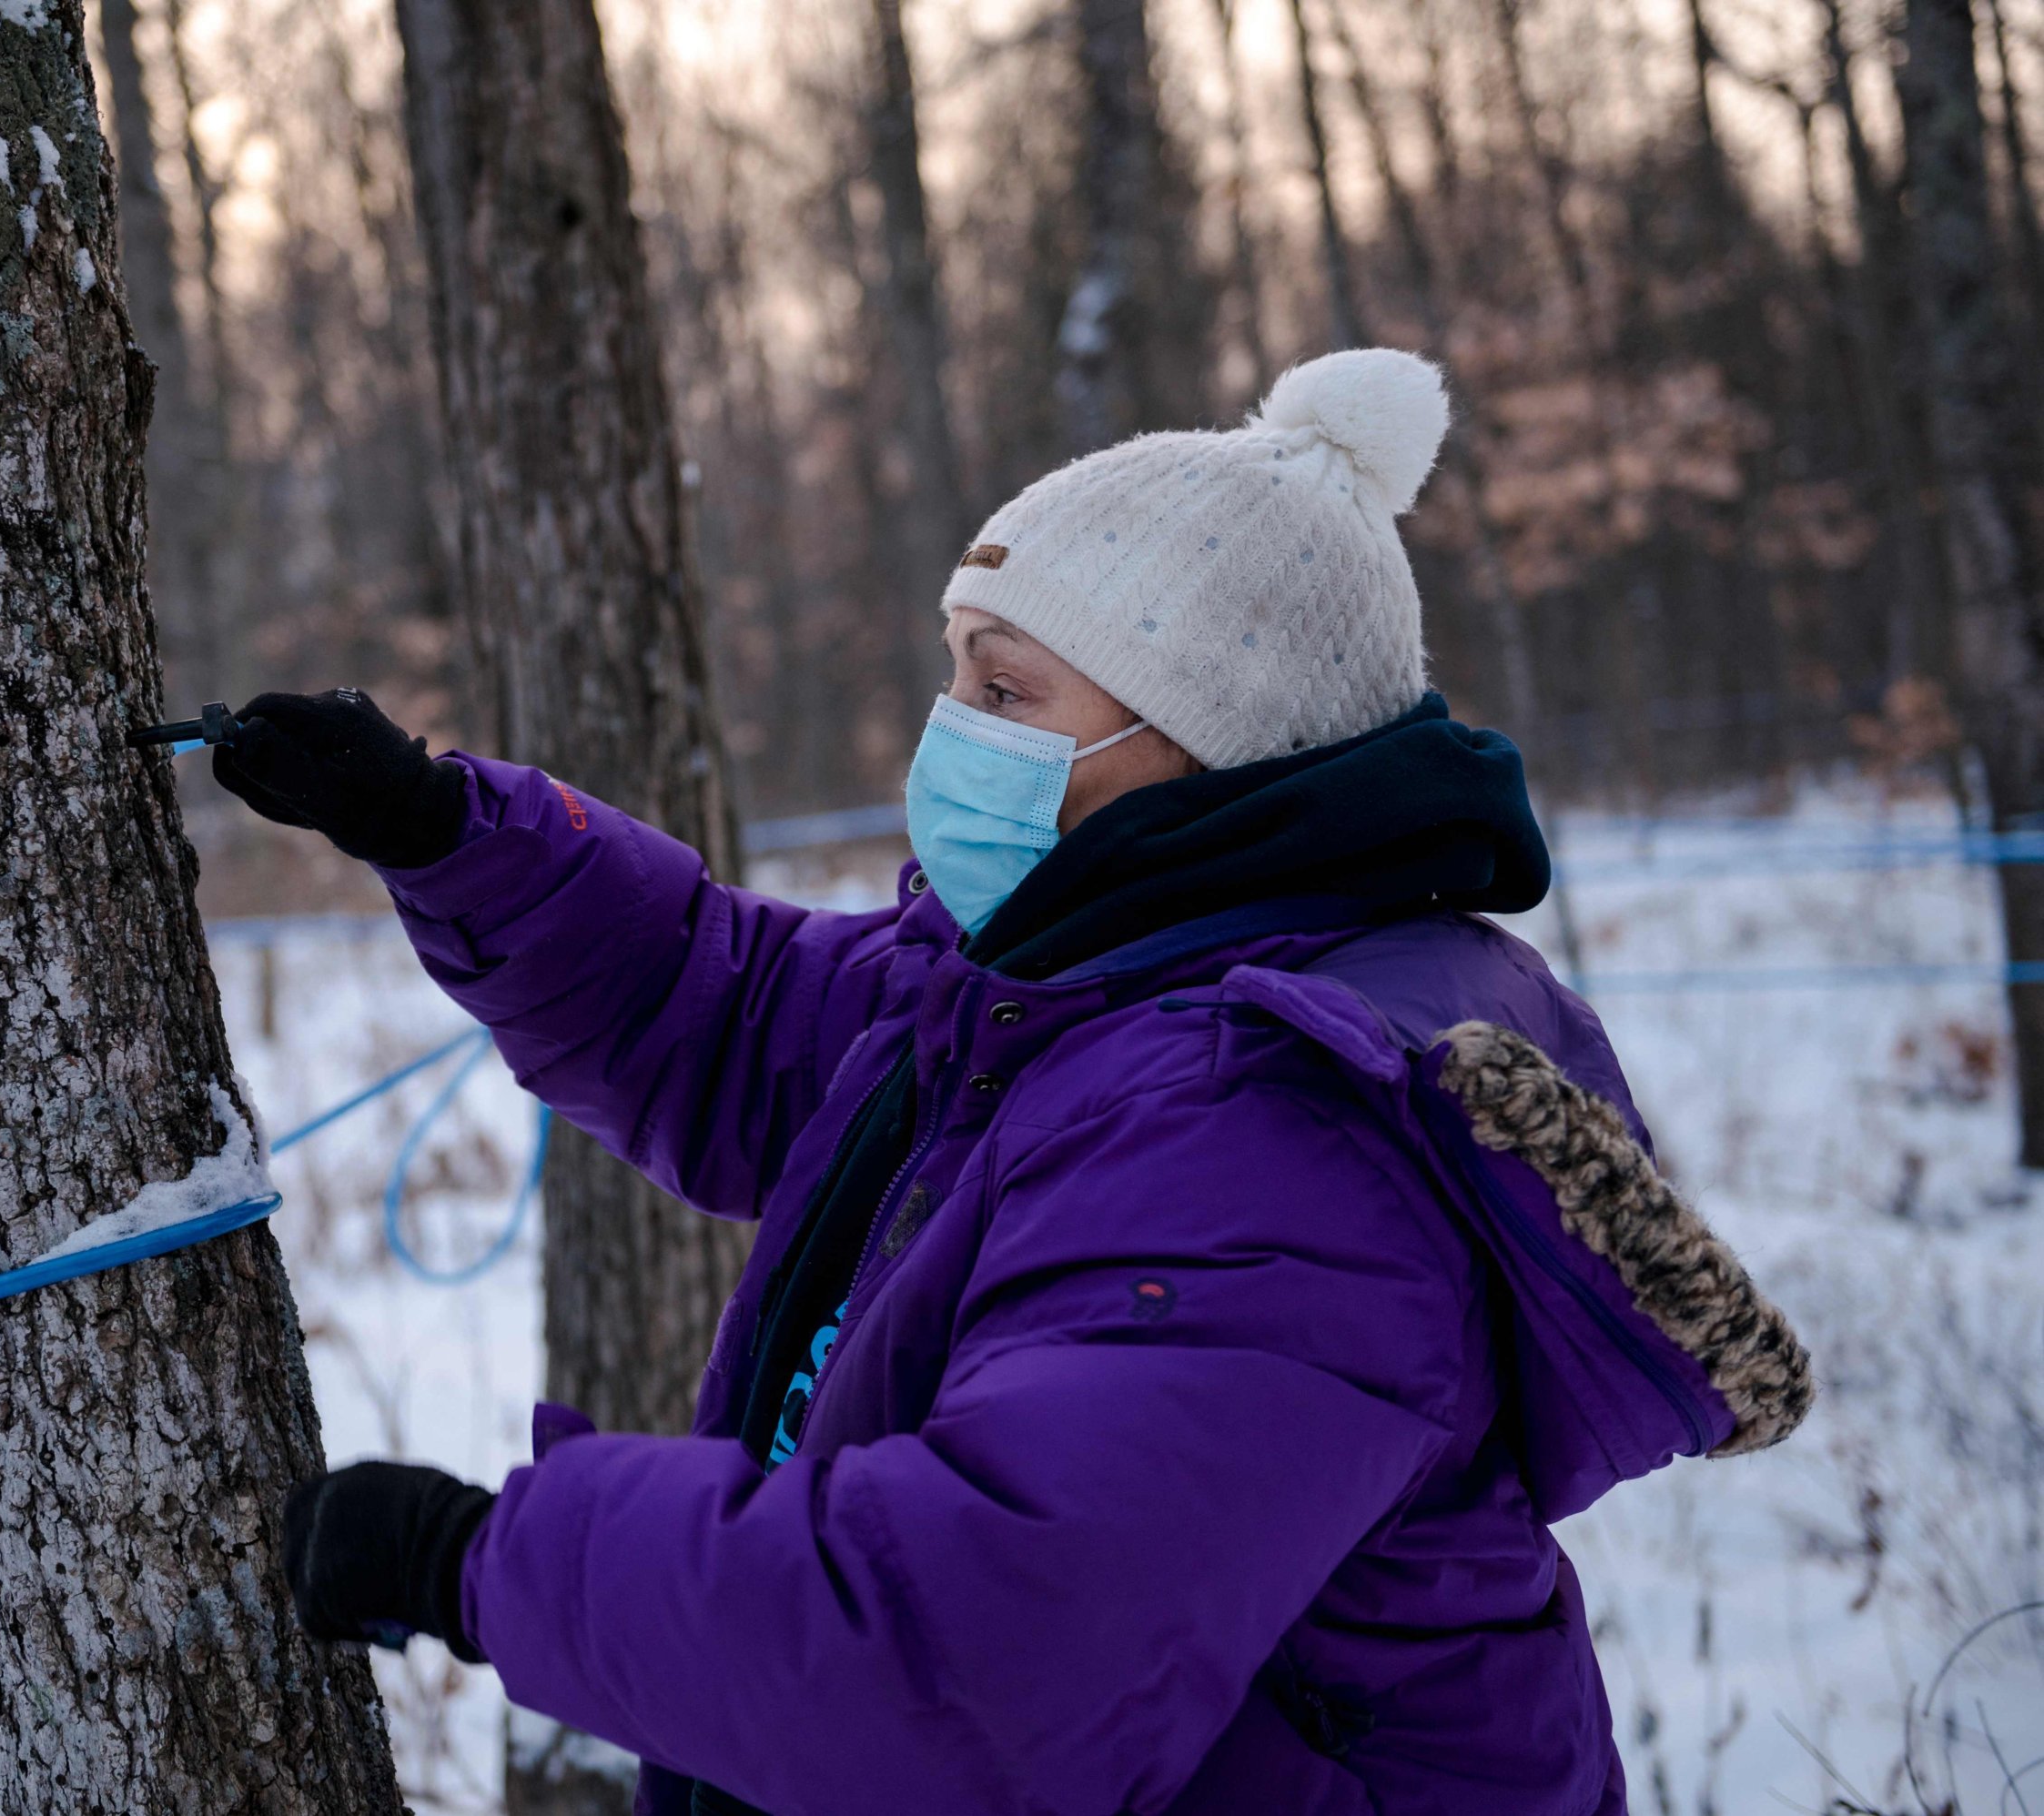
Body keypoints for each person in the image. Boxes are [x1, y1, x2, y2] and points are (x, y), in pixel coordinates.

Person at [221, 348, 1814, 1815]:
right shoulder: (1058, 983)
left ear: (1205, 742)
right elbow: (732, 1014)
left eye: (1006, 693)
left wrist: (490, 1566)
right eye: (956, 676)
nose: (950, 735)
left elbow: (969, 1654)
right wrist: (445, 830)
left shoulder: (1275, 1134)